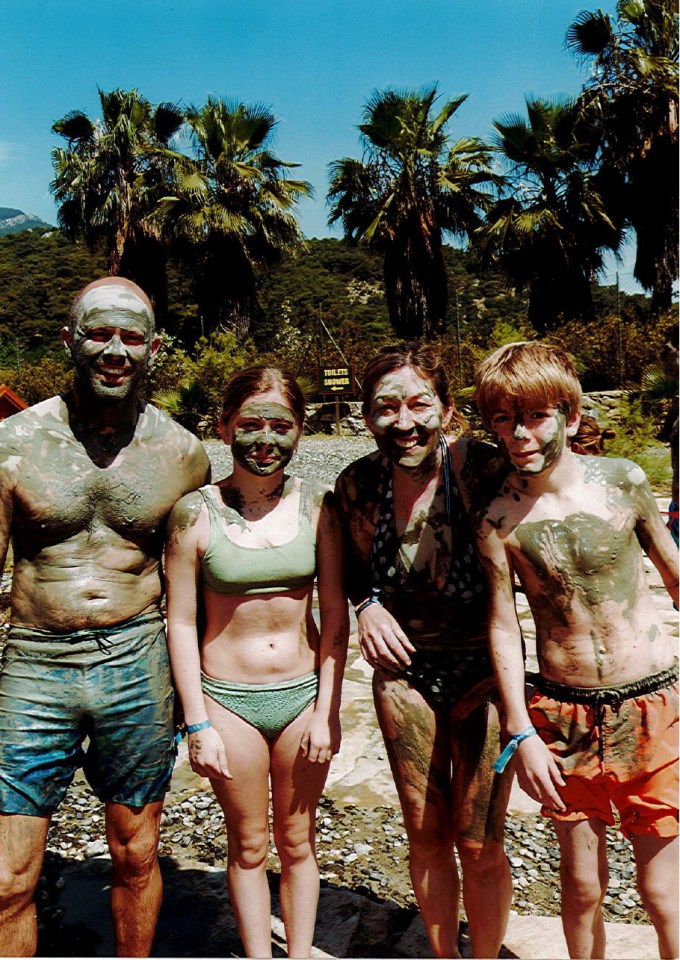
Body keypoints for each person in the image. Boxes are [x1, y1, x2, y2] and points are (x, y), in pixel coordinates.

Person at [0, 276, 210, 957]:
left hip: (136, 660)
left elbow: (199, 582)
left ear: (154, 347)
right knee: (7, 878)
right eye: (99, 332)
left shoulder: (182, 454)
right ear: (70, 339)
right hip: (35, 662)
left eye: (131, 336)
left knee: (138, 854)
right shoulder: (15, 444)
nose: (115, 349)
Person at [474, 341, 678, 960]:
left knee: (662, 889)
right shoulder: (497, 520)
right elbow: (503, 626)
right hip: (564, 714)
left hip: (653, 706)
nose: (518, 435)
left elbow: (673, 572)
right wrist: (519, 732)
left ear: (569, 412)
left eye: (533, 415)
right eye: (503, 419)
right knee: (582, 887)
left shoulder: (623, 482)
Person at [335, 344, 514, 960]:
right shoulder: (358, 485)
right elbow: (352, 571)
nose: (404, 421)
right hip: (404, 678)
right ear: (367, 417)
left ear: (449, 408)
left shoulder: (486, 471)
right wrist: (366, 606)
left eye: (419, 404)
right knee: (426, 833)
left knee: (482, 840)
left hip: (484, 676)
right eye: (387, 408)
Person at [165, 366, 348, 959]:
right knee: (246, 844)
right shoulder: (195, 513)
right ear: (224, 428)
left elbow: (335, 617)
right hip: (227, 703)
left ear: (300, 431)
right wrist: (196, 724)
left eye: (280, 425)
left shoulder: (320, 507)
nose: (264, 439)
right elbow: (183, 622)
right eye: (250, 425)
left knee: (299, 841)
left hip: (301, 696)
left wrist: (326, 711)